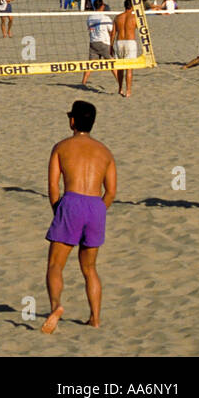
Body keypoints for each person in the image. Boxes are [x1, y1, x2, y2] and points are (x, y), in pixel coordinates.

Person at [41, 100, 116, 333]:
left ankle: (56, 306)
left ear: (72, 121)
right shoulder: (105, 151)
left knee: (55, 264)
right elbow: (111, 191)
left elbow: (53, 186)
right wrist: (99, 209)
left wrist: (59, 210)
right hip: (95, 205)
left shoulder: (61, 147)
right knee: (90, 268)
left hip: (71, 202)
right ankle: (95, 318)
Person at [81, 0, 112, 88]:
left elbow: (90, 28)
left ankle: (83, 82)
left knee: (90, 64)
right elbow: (111, 30)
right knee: (112, 64)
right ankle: (119, 81)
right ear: (102, 6)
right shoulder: (105, 18)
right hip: (103, 42)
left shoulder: (90, 17)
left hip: (93, 42)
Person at [111, 0, 139, 97]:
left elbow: (113, 34)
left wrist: (111, 46)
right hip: (130, 42)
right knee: (129, 69)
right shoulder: (135, 17)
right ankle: (128, 91)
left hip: (119, 42)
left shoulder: (117, 17)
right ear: (132, 6)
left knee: (120, 68)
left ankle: (120, 89)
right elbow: (142, 30)